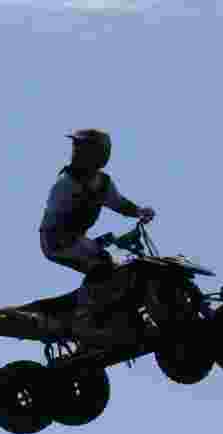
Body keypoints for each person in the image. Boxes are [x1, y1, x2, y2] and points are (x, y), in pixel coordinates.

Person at [38, 129, 155, 338]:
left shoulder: (102, 183)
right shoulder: (65, 184)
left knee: (114, 268)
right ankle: (85, 320)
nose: (75, 152)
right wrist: (87, 242)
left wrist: (139, 211)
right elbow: (54, 222)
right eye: (76, 147)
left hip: (74, 239)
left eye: (81, 147)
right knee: (102, 266)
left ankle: (107, 313)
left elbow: (119, 203)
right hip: (56, 240)